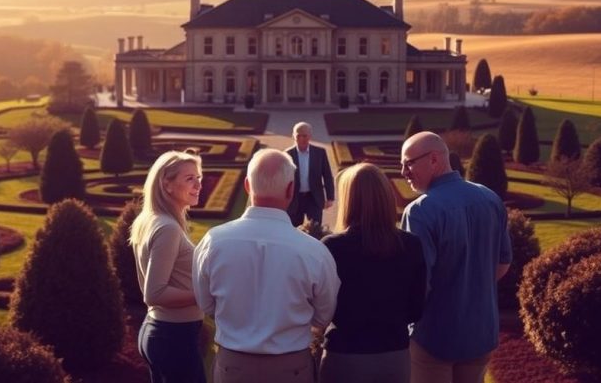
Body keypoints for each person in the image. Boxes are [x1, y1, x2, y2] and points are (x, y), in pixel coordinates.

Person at [192, 148, 340, 383]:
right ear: (291, 189)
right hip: (291, 367)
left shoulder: (213, 241)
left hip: (234, 366)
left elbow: (206, 304)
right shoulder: (314, 251)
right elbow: (323, 316)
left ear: (248, 186)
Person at [399, 132, 512, 383]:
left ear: (435, 159)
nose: (403, 171)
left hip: (434, 337)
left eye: (409, 163)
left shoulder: (419, 211)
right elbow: (503, 264)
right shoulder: (490, 198)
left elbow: (416, 285)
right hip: (482, 333)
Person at [319, 163, 426, 383]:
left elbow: (322, 310)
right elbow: (416, 310)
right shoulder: (411, 245)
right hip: (393, 356)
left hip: (345, 357)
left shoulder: (333, 246)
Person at [130, 150, 207, 383]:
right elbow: (154, 293)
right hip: (174, 338)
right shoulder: (167, 228)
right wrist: (205, 294)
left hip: (161, 332)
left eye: (199, 178)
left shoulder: (152, 220)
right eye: (189, 179)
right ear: (167, 184)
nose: (198, 185)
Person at [286, 121, 335, 226]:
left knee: (315, 230)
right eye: (298, 135)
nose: (302, 139)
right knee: (292, 230)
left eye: (305, 135)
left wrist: (330, 197)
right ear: (293, 136)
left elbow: (327, 175)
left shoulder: (320, 152)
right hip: (295, 199)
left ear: (310, 136)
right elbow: (282, 179)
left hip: (313, 198)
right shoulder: (287, 154)